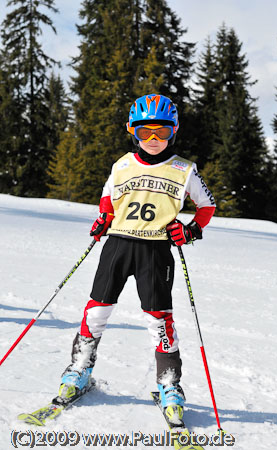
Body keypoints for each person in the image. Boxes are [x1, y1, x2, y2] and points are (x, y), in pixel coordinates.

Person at [57, 94, 216, 423]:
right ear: (133, 131)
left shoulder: (184, 169)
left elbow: (207, 206)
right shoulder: (123, 164)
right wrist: (104, 216)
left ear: (174, 131)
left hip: (156, 251)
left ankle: (168, 383)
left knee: (159, 319)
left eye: (162, 131)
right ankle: (79, 370)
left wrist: (190, 231)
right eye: (146, 133)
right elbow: (107, 194)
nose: (154, 139)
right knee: (98, 309)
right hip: (117, 245)